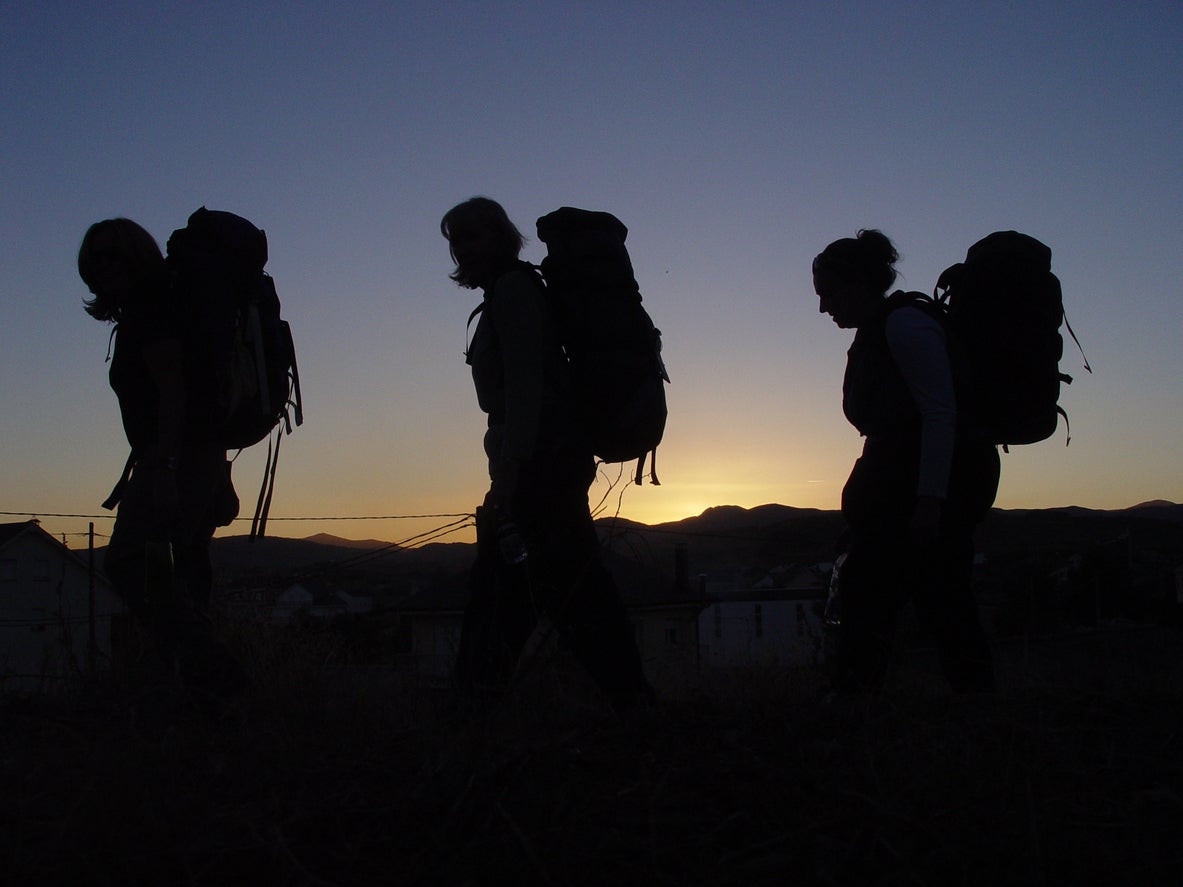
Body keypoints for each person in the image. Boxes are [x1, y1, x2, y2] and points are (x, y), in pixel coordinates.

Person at [440, 197, 654, 714]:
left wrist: (511, 474)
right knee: (561, 589)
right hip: (548, 461)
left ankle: (473, 712)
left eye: (473, 236)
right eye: (455, 239)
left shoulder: (513, 291)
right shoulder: (508, 292)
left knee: (521, 590)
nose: (462, 249)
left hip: (540, 465)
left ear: (500, 237)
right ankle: (634, 705)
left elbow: (525, 387)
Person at [812, 229, 999, 694]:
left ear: (858, 284)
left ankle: (860, 710)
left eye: (829, 294)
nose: (823, 307)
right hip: (904, 493)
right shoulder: (881, 330)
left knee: (922, 601)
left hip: (927, 494)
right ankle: (968, 707)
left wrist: (930, 503)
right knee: (932, 601)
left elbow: (940, 414)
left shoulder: (904, 326)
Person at [79, 218, 242, 710]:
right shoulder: (156, 308)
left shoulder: (152, 310)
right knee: (181, 568)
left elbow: (173, 393)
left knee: (128, 560)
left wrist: (167, 470)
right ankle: (196, 699)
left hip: (175, 459)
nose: (105, 265)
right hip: (196, 457)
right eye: (96, 257)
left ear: (136, 255)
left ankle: (215, 668)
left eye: (115, 253)